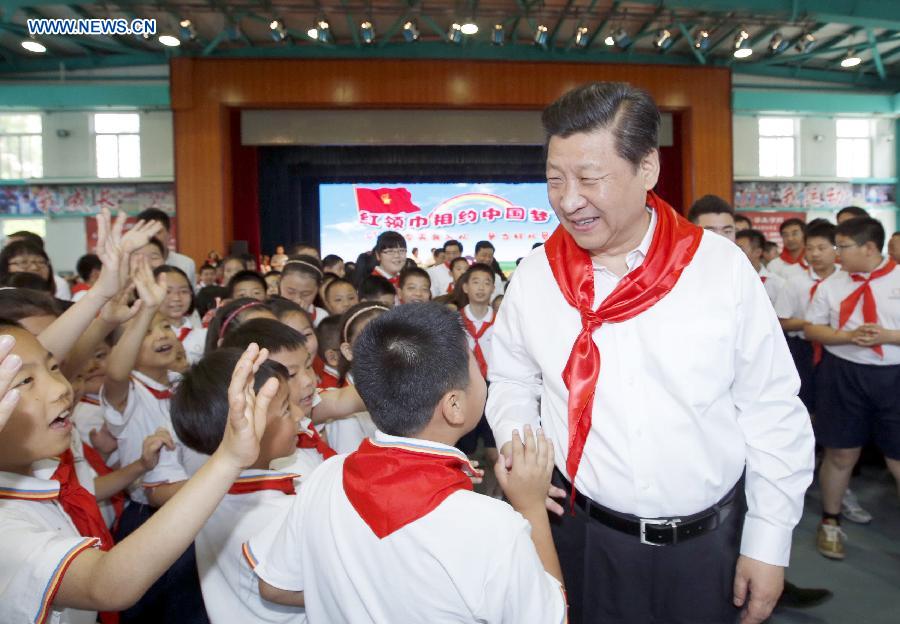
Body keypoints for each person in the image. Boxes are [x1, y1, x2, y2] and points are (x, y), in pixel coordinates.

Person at [486, 82, 814, 624]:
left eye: (590, 179)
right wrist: (524, 451)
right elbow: (514, 378)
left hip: (708, 548)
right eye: (554, 180)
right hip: (584, 537)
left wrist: (769, 541)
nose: (569, 200)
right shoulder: (538, 276)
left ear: (647, 168)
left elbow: (771, 408)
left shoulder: (719, 269)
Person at [247, 304, 567, 623]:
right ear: (454, 405)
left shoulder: (325, 478)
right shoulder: (493, 526)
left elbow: (275, 586)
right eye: (473, 366)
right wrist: (531, 507)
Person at [0, 333, 279, 624]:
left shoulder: (43, 474)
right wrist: (229, 459)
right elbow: (106, 585)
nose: (61, 387)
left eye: (54, 368)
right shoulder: (5, 527)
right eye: (24, 381)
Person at [171, 348, 309, 623]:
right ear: (244, 428)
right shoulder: (274, 513)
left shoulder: (207, 499)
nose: (298, 415)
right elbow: (293, 588)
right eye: (285, 409)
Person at [804, 216, 900, 561]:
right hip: (842, 374)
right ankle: (831, 521)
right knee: (841, 452)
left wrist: (888, 336)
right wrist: (848, 337)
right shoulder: (832, 284)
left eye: (842, 246)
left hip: (893, 375)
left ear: (870, 248)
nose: (836, 253)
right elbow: (813, 330)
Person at [155, 265, 205, 365]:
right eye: (167, 292)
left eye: (183, 291)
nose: (176, 298)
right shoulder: (144, 338)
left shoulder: (204, 336)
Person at [135, 208, 196, 288]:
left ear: (169, 234)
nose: (151, 236)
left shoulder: (186, 264)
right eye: (146, 231)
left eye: (157, 232)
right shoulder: (132, 263)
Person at [737, 229, 786, 305]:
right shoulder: (728, 279)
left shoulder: (777, 284)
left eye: (740, 249)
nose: (735, 253)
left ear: (758, 252)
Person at [279, 257, 328, 326]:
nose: (297, 300)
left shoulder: (321, 317)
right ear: (280, 282)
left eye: (306, 294)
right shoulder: (267, 314)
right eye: (290, 292)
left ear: (318, 290)